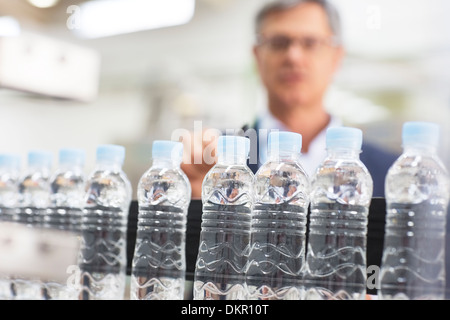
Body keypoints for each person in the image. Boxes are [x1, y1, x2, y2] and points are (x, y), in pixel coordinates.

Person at [181, 0, 398, 199]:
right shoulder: (214, 160)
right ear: (257, 56)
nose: (293, 56)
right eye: (278, 42)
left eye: (310, 43)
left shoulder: (391, 173)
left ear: (336, 57)